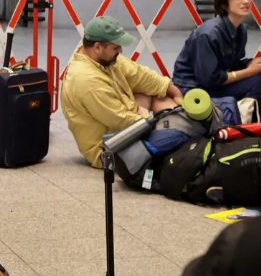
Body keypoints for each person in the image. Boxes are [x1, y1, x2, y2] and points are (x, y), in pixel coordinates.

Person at [61, 15, 183, 168]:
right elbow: (121, 121)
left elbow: (140, 75)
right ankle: (179, 126)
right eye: (115, 46)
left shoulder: (103, 60)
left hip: (123, 125)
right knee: (176, 138)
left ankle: (179, 122)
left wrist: (172, 89)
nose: (120, 50)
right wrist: (150, 118)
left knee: (153, 90)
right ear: (97, 47)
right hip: (110, 149)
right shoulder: (86, 80)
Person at [172, 0, 261, 114]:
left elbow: (232, 65)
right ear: (224, 5)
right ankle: (242, 123)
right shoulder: (208, 34)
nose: (245, 1)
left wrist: (257, 62)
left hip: (214, 82)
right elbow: (210, 79)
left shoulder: (240, 29)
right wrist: (250, 71)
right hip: (194, 88)